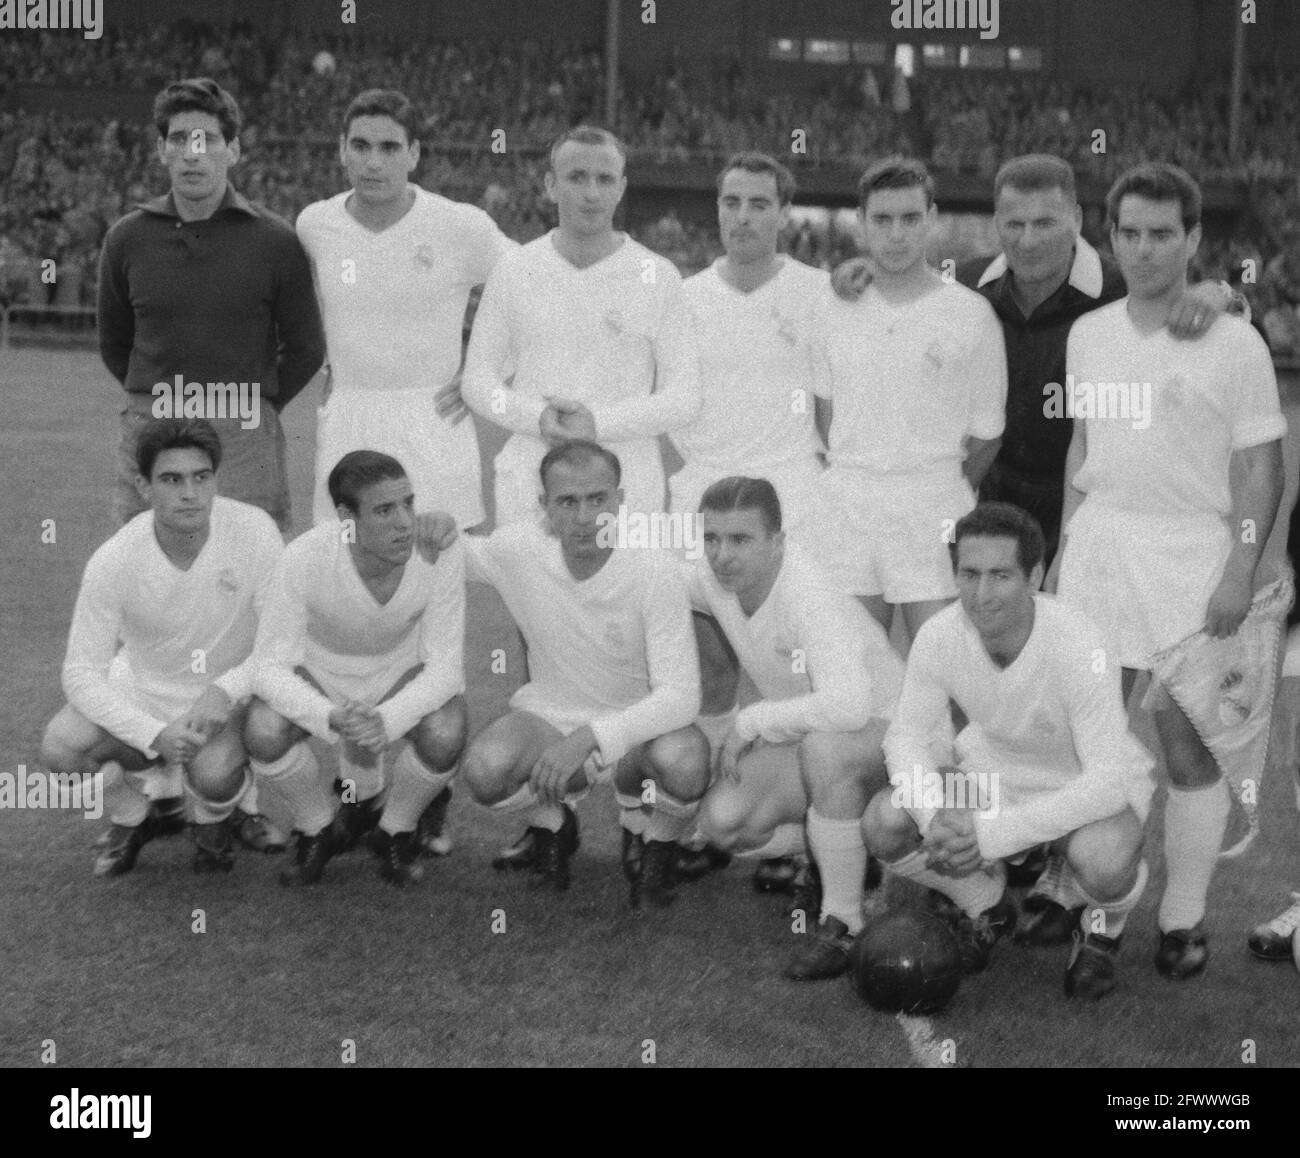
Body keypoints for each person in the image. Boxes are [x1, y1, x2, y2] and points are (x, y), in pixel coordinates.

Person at [1053, 163, 1287, 979]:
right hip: (1099, 550)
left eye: (1163, 234)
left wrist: (1240, 566)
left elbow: (1262, 469)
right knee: (1095, 738)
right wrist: (1063, 550)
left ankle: (1183, 920)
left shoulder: (1235, 339)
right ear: (1109, 238)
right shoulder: (1091, 333)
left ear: (1193, 239)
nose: (1145, 249)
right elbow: (1082, 451)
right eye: (1129, 233)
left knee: (1188, 748)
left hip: (1191, 552)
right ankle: (1099, 909)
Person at [832, 153, 1243, 572]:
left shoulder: (1123, 290)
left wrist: (1223, 295)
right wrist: (866, 269)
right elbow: (909, 285)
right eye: (1015, 225)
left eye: (1044, 224)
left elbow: (1214, 327)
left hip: (1084, 511)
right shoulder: (966, 290)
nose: (1028, 241)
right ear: (997, 224)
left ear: (1077, 220)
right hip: (987, 508)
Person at [863, 503, 1155, 1000]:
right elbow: (905, 738)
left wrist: (991, 836)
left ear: (1035, 575)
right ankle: (986, 903)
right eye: (969, 574)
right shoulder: (939, 635)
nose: (981, 594)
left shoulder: (1081, 643)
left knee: (1104, 859)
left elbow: (1106, 780)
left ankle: (1104, 929)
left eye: (1000, 575)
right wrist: (936, 817)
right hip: (989, 774)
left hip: (1080, 786)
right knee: (885, 822)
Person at [436, 440, 708, 910]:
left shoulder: (656, 569)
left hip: (637, 734)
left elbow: (681, 695)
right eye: (567, 501)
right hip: (549, 722)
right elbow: (451, 551)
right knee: (485, 770)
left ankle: (649, 842)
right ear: (544, 507)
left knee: (685, 761)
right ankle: (552, 826)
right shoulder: (517, 550)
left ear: (620, 501)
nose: (585, 517)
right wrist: (434, 527)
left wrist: (591, 737)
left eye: (597, 499)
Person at [39, 419, 285, 876]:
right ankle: (135, 817)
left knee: (212, 776)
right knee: (61, 749)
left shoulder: (255, 531)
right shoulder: (115, 558)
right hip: (144, 694)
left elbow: (279, 642)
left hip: (224, 698)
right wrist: (152, 734)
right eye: (171, 479)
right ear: (144, 486)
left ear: (216, 479)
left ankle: (222, 816)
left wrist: (224, 692)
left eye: (201, 477)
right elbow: (80, 672)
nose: (189, 493)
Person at [687, 477, 904, 981]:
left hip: (894, 736)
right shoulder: (715, 580)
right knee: (723, 823)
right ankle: (830, 841)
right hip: (816, 736)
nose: (722, 555)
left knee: (827, 751)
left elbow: (850, 705)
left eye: (740, 540)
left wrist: (753, 719)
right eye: (712, 539)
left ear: (778, 542)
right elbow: (644, 577)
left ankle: (843, 921)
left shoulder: (807, 594)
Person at [98, 77, 324, 533]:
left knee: (251, 569)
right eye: (179, 139)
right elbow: (114, 343)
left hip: (243, 431)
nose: (192, 152)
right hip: (154, 421)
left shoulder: (276, 240)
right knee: (145, 570)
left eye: (207, 140)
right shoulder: (127, 238)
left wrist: (253, 405)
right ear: (162, 149)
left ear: (234, 150)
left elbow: (305, 348)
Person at [243, 451, 468, 888]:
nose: (405, 522)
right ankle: (317, 828)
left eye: (409, 503)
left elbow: (446, 667)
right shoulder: (303, 556)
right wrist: (330, 715)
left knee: (447, 730)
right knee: (263, 729)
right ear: (347, 517)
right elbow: (269, 667)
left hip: (398, 673)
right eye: (385, 510)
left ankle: (395, 832)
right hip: (321, 675)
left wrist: (388, 718)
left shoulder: (437, 551)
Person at [806, 156, 1007, 646]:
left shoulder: (970, 314)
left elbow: (987, 434)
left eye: (910, 219)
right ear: (861, 223)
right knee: (856, 672)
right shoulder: (832, 306)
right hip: (850, 502)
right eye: (883, 219)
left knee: (944, 665)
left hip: (933, 502)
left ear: (932, 218)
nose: (896, 234)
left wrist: (935, 483)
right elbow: (825, 415)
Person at [297, 89, 513, 531]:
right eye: (360, 146)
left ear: (413, 154)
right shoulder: (315, 224)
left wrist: (488, 372)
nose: (374, 162)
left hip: (432, 417)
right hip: (349, 415)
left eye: (389, 148)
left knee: (441, 570)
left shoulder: (460, 225)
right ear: (342, 151)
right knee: (346, 572)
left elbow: (531, 287)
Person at [461, 126, 700, 526]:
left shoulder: (657, 275)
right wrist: (536, 417)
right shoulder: (515, 269)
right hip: (530, 484)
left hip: (627, 490)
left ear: (621, 188)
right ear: (551, 185)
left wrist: (599, 424)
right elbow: (478, 382)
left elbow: (684, 396)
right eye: (576, 177)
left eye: (604, 179)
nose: (591, 193)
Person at [670, 153, 826, 536]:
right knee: (694, 597)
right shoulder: (683, 298)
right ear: (718, 208)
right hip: (702, 488)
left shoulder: (819, 294)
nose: (742, 216)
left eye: (759, 205)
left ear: (785, 213)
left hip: (793, 493)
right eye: (731, 203)